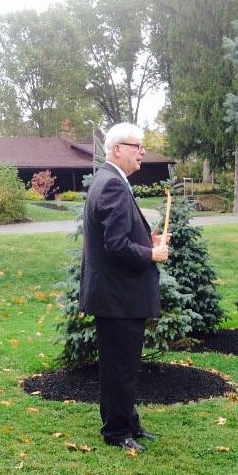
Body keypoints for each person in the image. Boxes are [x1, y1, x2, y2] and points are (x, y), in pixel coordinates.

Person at [79, 122, 170, 451]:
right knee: (120, 367)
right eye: (137, 146)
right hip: (118, 297)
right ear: (117, 149)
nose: (143, 151)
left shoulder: (109, 181)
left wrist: (147, 242)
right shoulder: (113, 185)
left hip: (115, 296)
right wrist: (152, 254)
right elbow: (116, 246)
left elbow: (114, 241)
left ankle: (127, 422)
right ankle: (117, 433)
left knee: (123, 364)